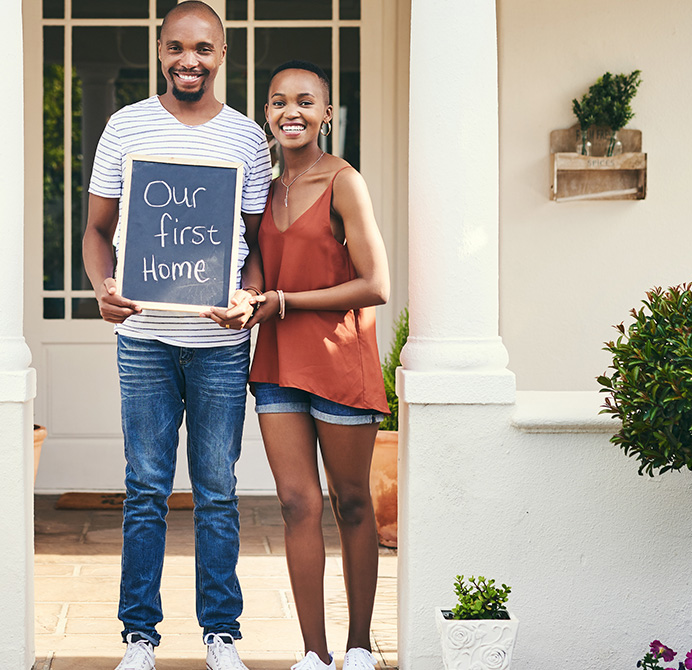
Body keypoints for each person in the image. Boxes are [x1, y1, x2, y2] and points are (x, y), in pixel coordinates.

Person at [80, 3, 272, 670]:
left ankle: (221, 634)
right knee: (146, 490)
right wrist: (103, 287)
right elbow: (96, 231)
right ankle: (140, 637)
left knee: (217, 490)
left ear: (222, 54)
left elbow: (255, 246)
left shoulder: (247, 138)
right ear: (159, 50)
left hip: (220, 346)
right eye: (176, 47)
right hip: (144, 340)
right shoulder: (125, 126)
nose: (189, 60)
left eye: (203, 48)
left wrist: (247, 296)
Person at [241, 60, 390, 670]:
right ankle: (314, 653)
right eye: (278, 102)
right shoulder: (265, 190)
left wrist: (285, 302)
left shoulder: (343, 181)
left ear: (328, 114)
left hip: (338, 362)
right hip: (276, 363)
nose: (291, 112)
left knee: (351, 502)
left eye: (305, 101)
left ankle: (358, 647)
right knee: (296, 506)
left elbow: (376, 283)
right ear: (267, 115)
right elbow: (255, 265)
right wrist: (249, 298)